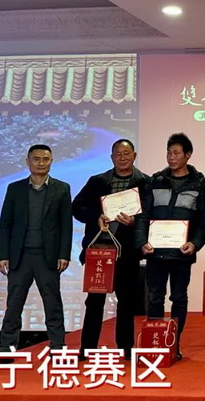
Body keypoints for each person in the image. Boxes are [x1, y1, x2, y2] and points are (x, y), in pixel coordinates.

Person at [0, 144, 72, 368]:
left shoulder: (62, 189)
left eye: (45, 159)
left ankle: (58, 350)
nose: (41, 163)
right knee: (13, 305)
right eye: (36, 159)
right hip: (20, 256)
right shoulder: (15, 189)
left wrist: (64, 254)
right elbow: (5, 223)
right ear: (28, 162)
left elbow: (66, 225)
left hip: (48, 257)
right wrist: (2, 254)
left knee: (53, 304)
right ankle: (6, 352)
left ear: (51, 161)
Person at [72, 139, 151, 359]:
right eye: (118, 154)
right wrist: (96, 216)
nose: (122, 158)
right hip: (100, 250)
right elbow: (77, 206)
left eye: (127, 154)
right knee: (94, 302)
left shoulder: (146, 182)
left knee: (126, 302)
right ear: (111, 157)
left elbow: (151, 214)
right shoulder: (97, 181)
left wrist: (135, 222)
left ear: (134, 156)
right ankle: (87, 348)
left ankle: (125, 348)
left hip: (127, 252)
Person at [136, 133, 205, 361]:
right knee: (154, 298)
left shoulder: (199, 183)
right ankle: (155, 344)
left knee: (179, 298)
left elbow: (204, 220)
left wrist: (195, 243)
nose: (171, 157)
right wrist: (142, 242)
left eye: (176, 153)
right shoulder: (155, 180)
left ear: (188, 155)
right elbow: (143, 214)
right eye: (169, 152)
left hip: (181, 253)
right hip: (155, 252)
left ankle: (172, 345)